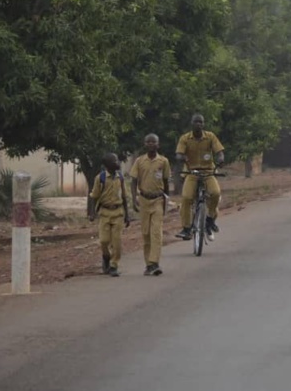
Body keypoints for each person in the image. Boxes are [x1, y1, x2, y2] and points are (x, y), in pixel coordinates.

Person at [176, 113, 225, 240]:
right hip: (191, 172)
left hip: (208, 172)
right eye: (196, 122)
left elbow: (219, 152)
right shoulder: (185, 138)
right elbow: (179, 154)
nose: (198, 124)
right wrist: (182, 157)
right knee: (186, 198)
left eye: (201, 122)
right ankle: (187, 228)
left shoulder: (210, 137)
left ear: (203, 124)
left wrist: (220, 159)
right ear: (192, 124)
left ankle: (210, 219)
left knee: (215, 193)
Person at [129, 134, 170, 276]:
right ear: (145, 144)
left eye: (154, 142)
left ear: (158, 145)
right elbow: (133, 181)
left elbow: (165, 182)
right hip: (144, 200)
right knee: (146, 234)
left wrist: (166, 199)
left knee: (156, 232)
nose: (151, 144)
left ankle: (155, 262)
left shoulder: (163, 161)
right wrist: (134, 199)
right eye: (148, 142)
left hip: (158, 199)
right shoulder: (139, 161)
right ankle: (148, 264)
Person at [88, 153, 130, 277]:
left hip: (118, 213)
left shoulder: (120, 177)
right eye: (114, 161)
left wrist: (127, 215)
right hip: (104, 213)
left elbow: (124, 197)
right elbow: (94, 196)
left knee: (116, 242)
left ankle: (114, 265)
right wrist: (92, 213)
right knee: (104, 240)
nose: (117, 163)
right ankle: (106, 257)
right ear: (107, 165)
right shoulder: (100, 178)